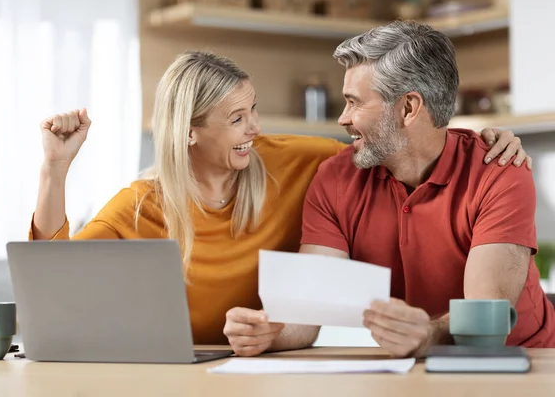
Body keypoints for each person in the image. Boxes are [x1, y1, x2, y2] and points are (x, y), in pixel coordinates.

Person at [31, 50, 528, 350]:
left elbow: (391, 142)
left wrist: (479, 139)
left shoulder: (295, 162)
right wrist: (55, 170)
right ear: (188, 133)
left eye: (254, 110)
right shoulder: (140, 207)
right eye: (236, 119)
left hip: (258, 370)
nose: (256, 129)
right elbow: (55, 289)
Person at [223, 20, 555, 357]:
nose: (343, 118)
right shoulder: (336, 178)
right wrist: (271, 331)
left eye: (355, 102)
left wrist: (427, 336)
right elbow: (308, 310)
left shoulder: (498, 173)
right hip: (412, 366)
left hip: (525, 362)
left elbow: (486, 325)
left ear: (409, 108)